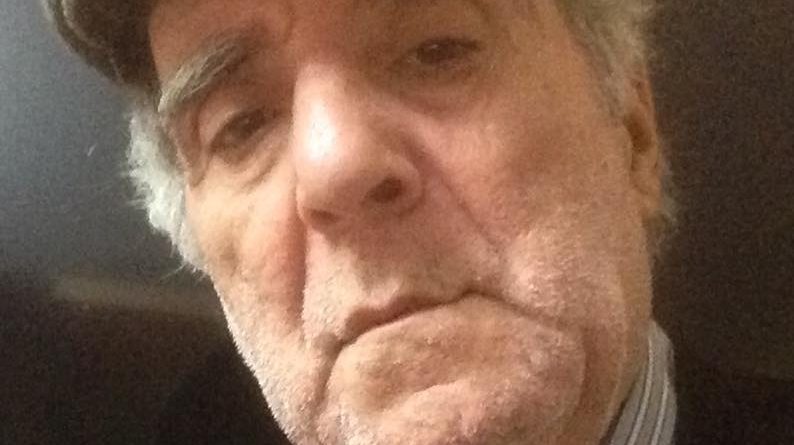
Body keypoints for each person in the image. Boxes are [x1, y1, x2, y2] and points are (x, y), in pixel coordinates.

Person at [45, 0, 678, 444]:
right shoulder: (194, 426)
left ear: (632, 128)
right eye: (243, 124)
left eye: (436, 51)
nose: (335, 167)